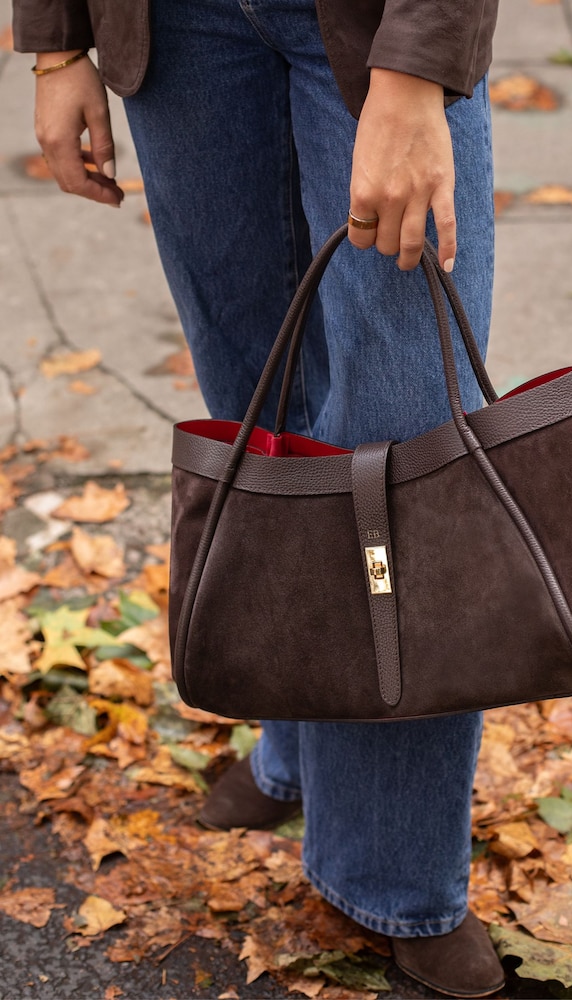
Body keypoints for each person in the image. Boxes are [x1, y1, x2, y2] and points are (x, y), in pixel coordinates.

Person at [13, 0, 504, 994]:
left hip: (376, 29)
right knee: (256, 408)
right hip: (177, 31)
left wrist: (414, 73)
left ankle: (395, 876)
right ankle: (295, 740)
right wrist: (55, 39)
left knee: (406, 442)